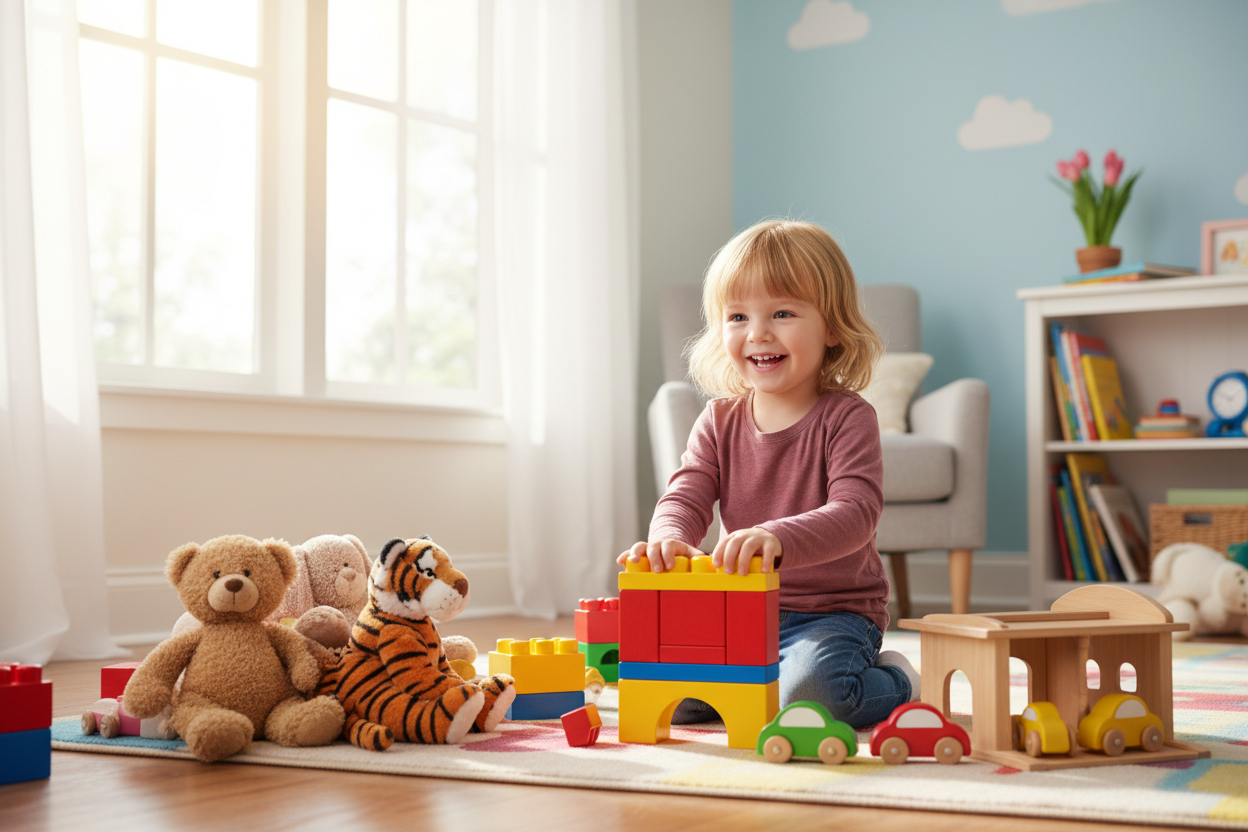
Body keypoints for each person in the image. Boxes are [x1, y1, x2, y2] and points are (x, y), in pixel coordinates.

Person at [618, 219, 919, 728]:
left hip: (831, 616)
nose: (757, 332)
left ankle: (898, 679)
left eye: (782, 313)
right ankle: (766, 680)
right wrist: (668, 539)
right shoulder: (717, 420)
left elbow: (856, 513)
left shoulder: (848, 417)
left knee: (813, 701)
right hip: (739, 608)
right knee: (672, 691)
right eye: (738, 316)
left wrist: (775, 538)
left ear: (832, 327)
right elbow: (686, 495)